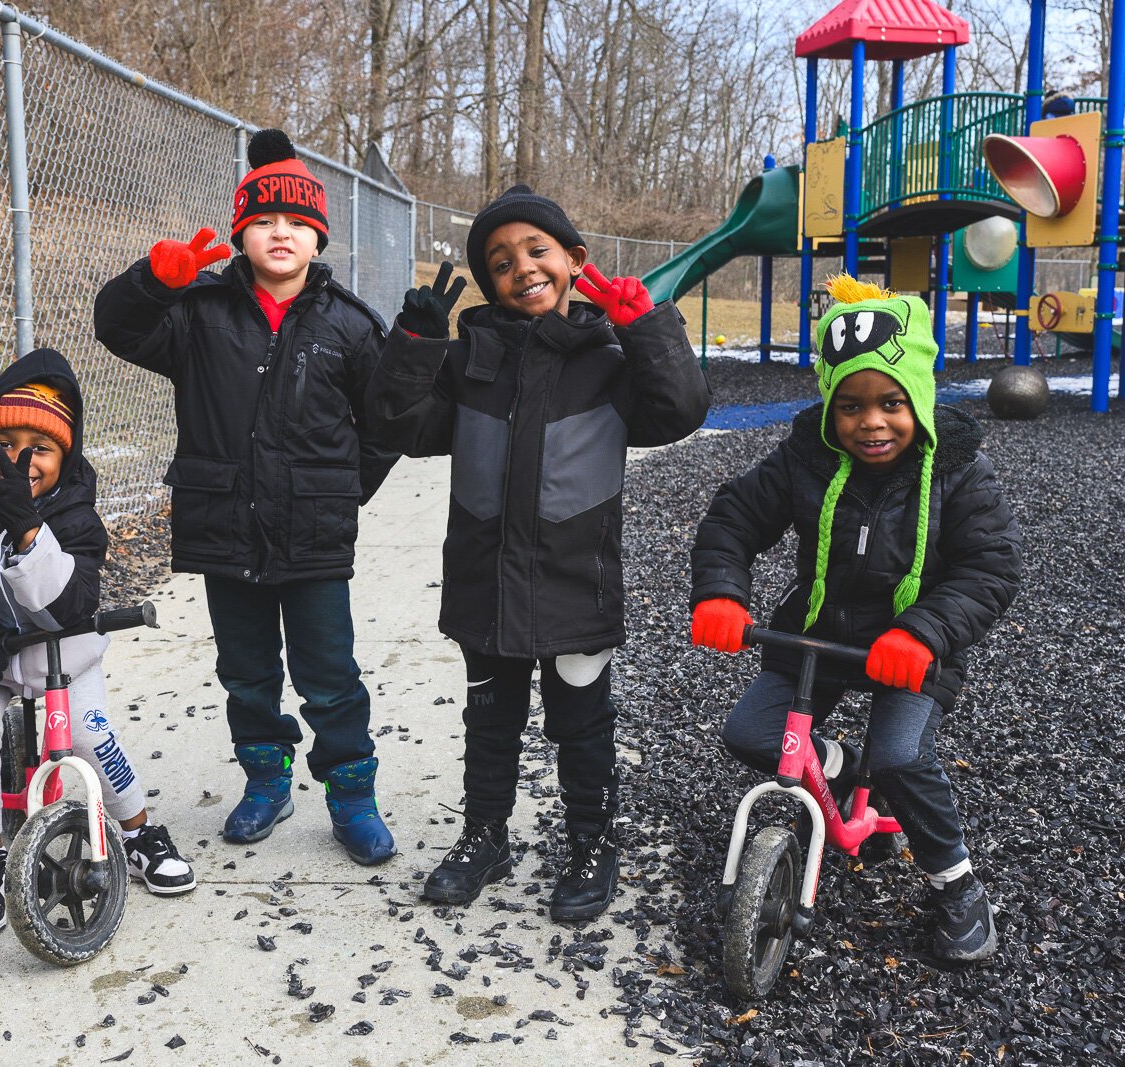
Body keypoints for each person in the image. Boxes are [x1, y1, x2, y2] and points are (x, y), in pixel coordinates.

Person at [366, 184, 710, 922]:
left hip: (572, 583)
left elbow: (680, 409)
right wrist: (416, 345)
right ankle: (484, 834)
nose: (520, 266)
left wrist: (646, 325)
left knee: (581, 722)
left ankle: (592, 841)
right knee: (489, 719)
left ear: (573, 260)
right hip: (485, 582)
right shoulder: (469, 359)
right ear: (486, 281)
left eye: (536, 250)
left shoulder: (610, 357)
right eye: (499, 260)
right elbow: (400, 425)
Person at [689, 275, 1022, 963]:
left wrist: (923, 632)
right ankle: (843, 771)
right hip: (822, 635)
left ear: (921, 398)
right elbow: (735, 516)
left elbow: (990, 568)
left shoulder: (958, 471)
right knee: (751, 731)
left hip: (912, 647)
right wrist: (722, 592)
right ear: (830, 405)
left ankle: (956, 884)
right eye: (851, 406)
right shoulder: (805, 457)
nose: (871, 422)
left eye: (892, 403)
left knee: (901, 755)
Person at [92, 129, 401, 865]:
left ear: (318, 235)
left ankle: (352, 793)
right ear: (241, 233)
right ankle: (267, 778)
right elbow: (117, 327)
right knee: (247, 669)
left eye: (296, 222)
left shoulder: (349, 325)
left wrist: (339, 491)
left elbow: (387, 422)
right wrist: (151, 282)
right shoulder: (197, 313)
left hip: (315, 536)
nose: (280, 233)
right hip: (227, 528)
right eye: (263, 221)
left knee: (330, 674)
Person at [0, 347, 196, 937]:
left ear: (66, 455)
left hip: (64, 654)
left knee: (89, 735)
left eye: (42, 448)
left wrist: (28, 530)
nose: (20, 459)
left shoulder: (75, 516)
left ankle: (137, 830)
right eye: (4, 445)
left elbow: (69, 605)